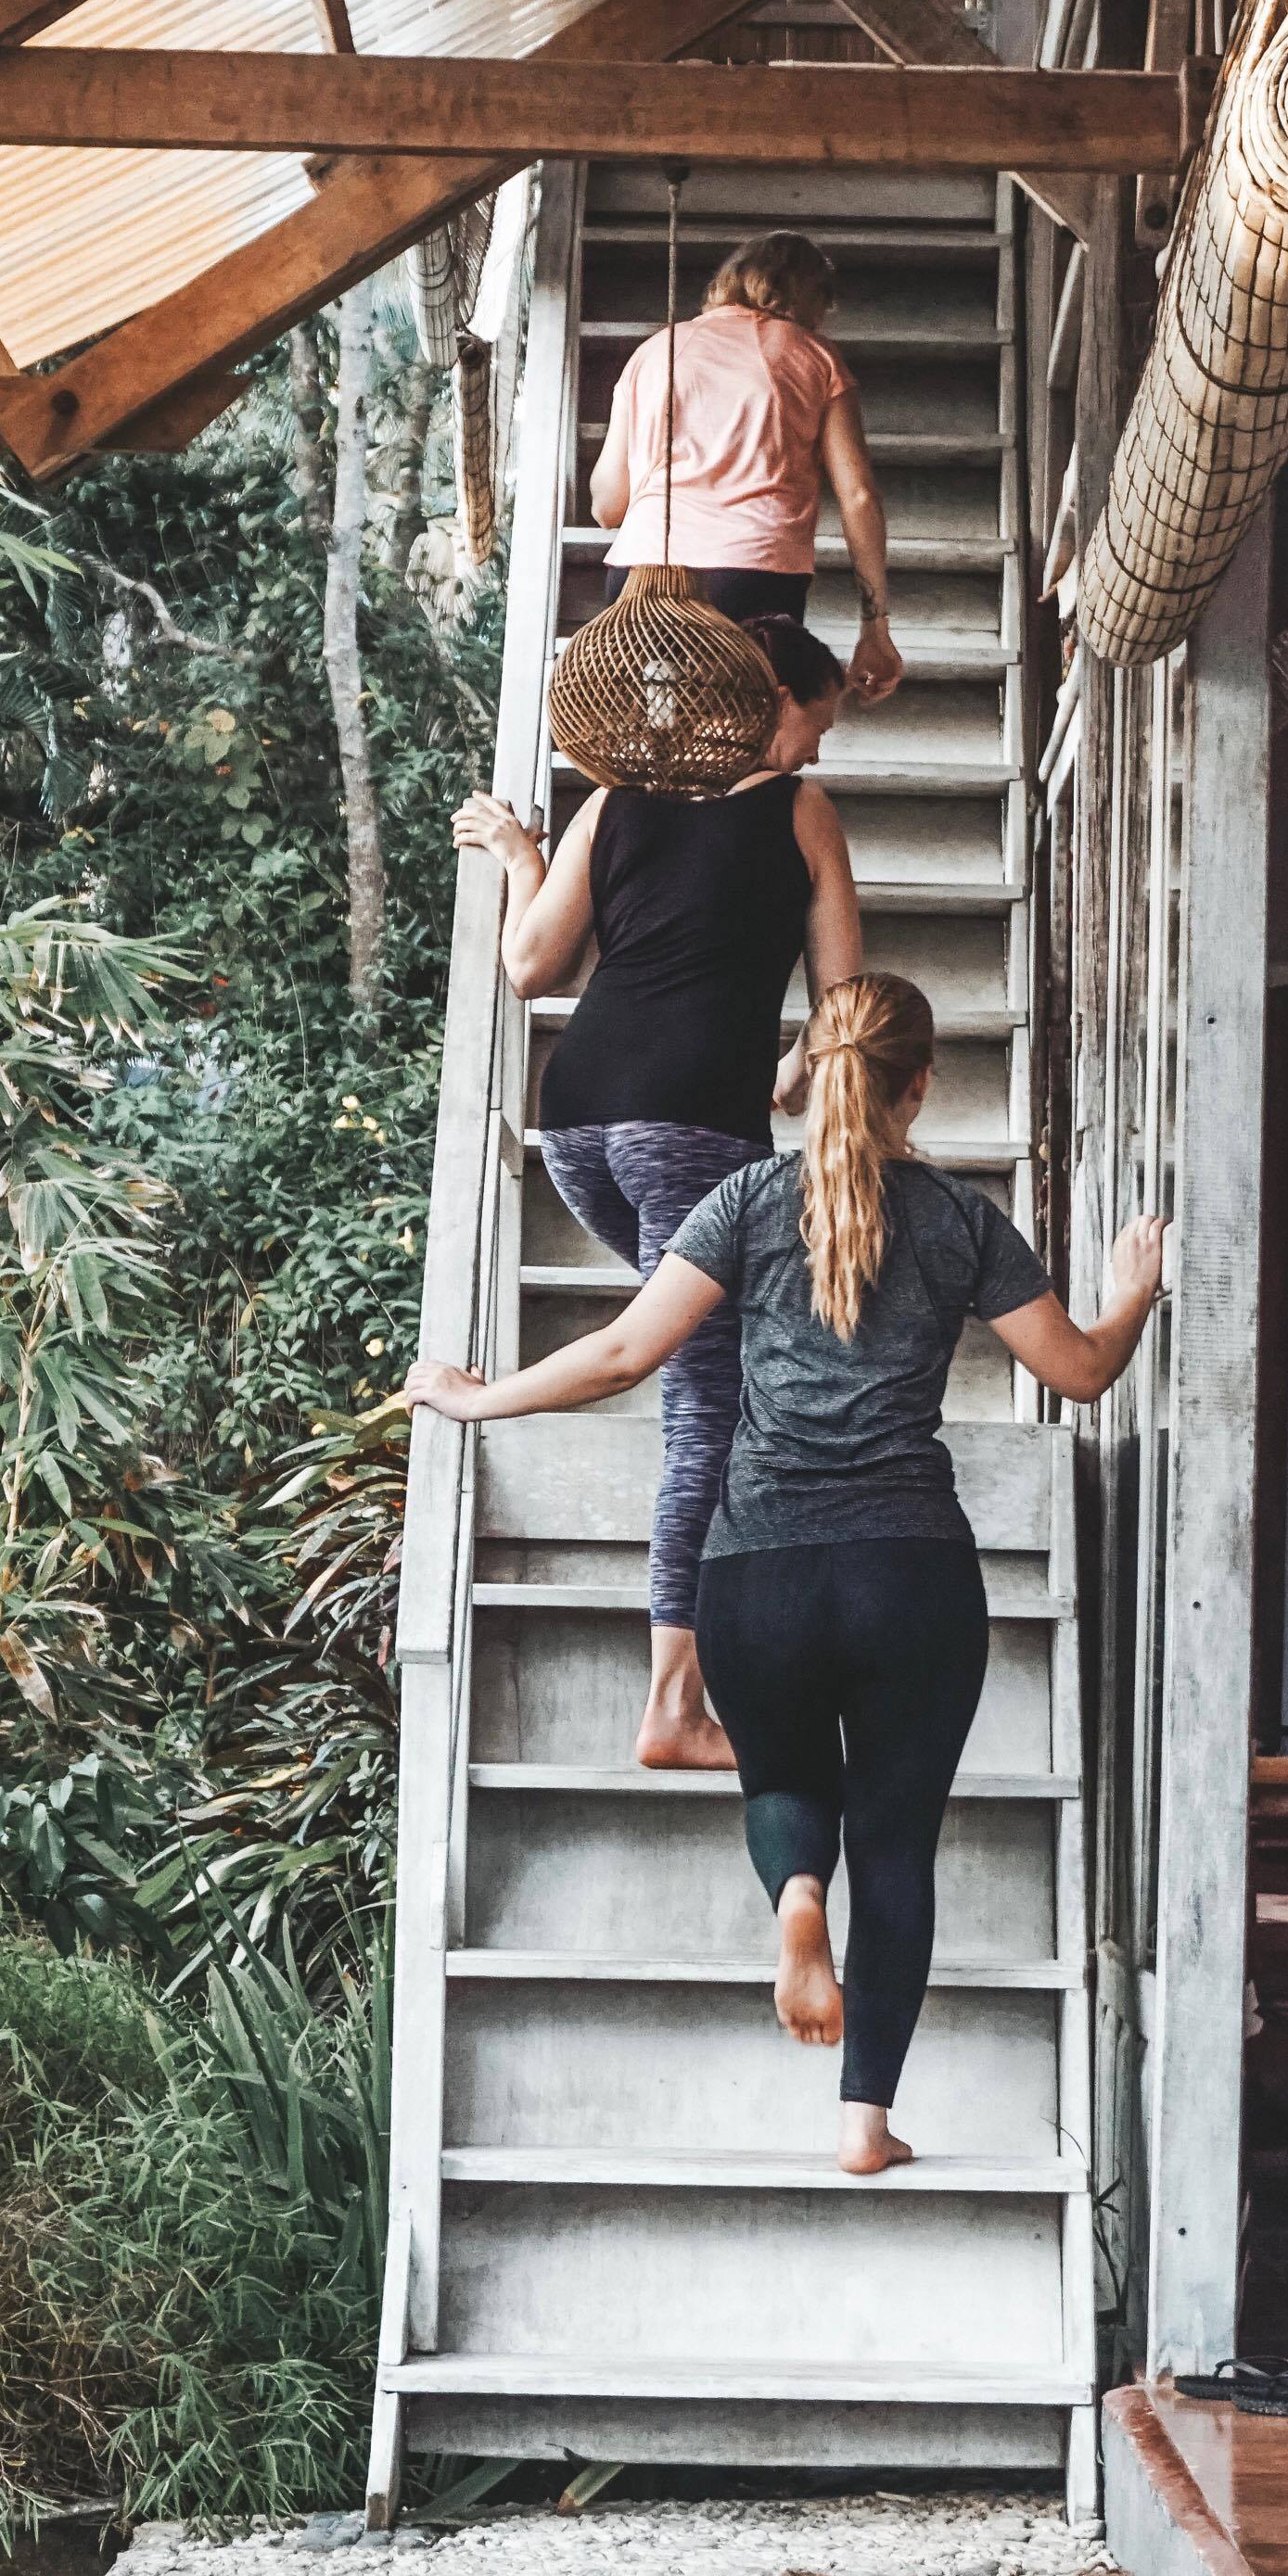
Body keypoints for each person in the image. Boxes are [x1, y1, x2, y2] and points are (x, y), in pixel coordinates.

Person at [409, 973, 1168, 2178]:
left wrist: (474, 1398)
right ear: (920, 1087)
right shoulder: (958, 1221)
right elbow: (1076, 1374)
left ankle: (795, 1900)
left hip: (756, 1572)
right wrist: (1129, 1297)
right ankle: (864, 2124)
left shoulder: (743, 1203)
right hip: (909, 1571)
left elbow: (618, 1356)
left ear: (806, 1075)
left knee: (785, 1772)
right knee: (901, 1839)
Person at [452, 621, 860, 1770]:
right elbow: (847, 1006)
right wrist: (788, 1069)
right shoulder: (798, 815)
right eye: (811, 726)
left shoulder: (617, 798)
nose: (811, 754)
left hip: (577, 1119)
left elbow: (533, 966)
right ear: (767, 697)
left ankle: (722, 1651)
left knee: (700, 1361)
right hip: (688, 1125)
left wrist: (528, 857)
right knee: (704, 1402)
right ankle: (675, 1707)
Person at [588, 227, 902, 703]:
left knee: (657, 745)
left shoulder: (653, 352)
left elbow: (608, 506)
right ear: (808, 296)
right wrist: (874, 626)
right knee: (743, 740)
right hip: (750, 578)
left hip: (637, 586)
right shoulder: (813, 356)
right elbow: (858, 497)